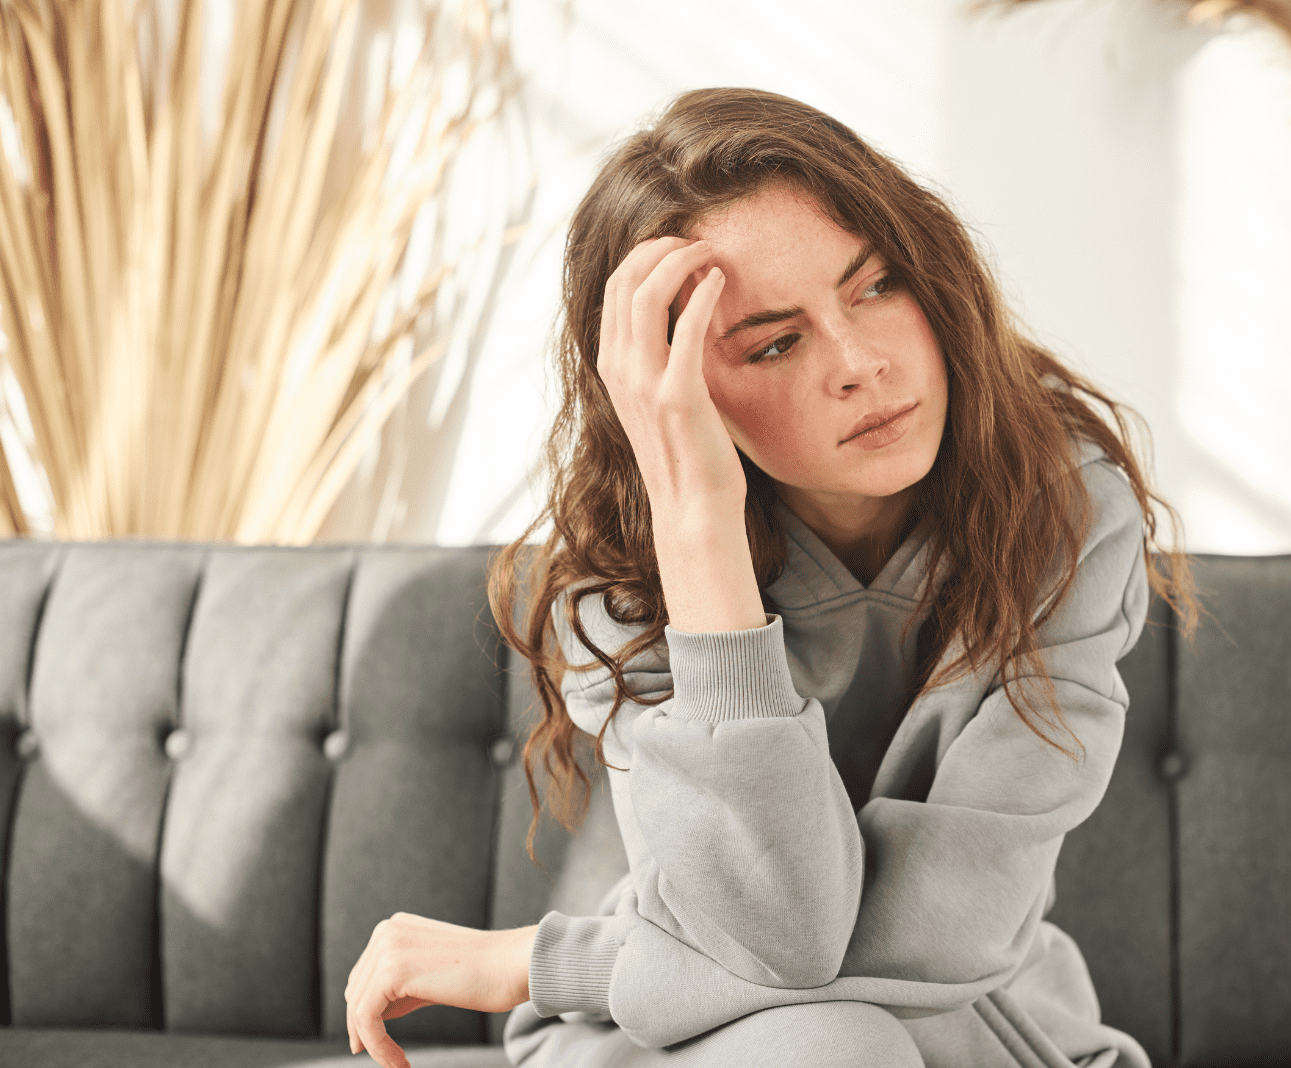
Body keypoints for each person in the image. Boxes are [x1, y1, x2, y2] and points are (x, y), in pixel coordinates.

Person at [342, 87, 1194, 1068]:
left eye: (877, 286)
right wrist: (698, 528)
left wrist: (549, 962)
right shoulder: (621, 583)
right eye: (775, 343)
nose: (861, 363)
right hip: (672, 1039)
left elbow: (949, 931)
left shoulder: (1061, 511)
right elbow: (778, 936)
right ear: (673, 389)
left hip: (964, 1018)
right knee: (838, 1048)